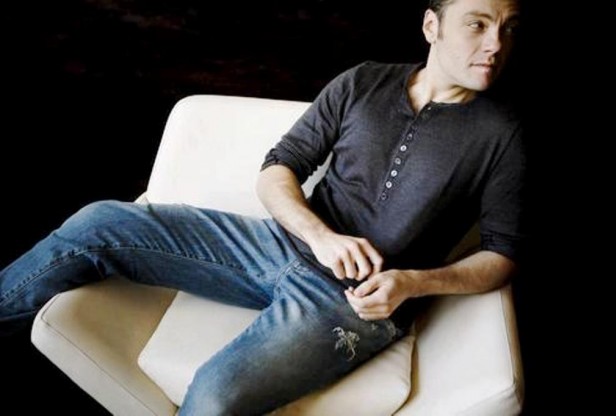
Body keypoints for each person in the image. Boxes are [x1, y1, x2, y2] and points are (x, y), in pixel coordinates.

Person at [1, 0, 525, 414]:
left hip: (356, 302)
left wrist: (411, 283)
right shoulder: (363, 80)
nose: (495, 45)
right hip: (275, 243)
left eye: (508, 28)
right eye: (477, 24)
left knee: (215, 396)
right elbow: (278, 169)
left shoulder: (505, 135)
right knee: (99, 223)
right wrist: (320, 235)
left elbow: (501, 256)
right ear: (432, 26)